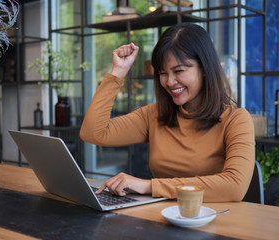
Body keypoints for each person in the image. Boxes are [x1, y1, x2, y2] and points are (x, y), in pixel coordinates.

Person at [79, 23, 255, 202]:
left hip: (216, 221)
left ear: (203, 68)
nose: (170, 82)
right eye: (163, 73)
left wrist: (149, 186)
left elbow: (234, 186)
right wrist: (118, 72)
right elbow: (93, 133)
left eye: (179, 71)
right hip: (163, 217)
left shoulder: (236, 120)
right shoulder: (154, 115)